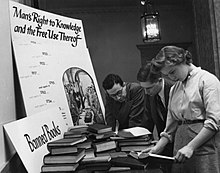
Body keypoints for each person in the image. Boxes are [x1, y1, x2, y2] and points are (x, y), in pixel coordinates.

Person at [147, 45, 220, 173]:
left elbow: (214, 122)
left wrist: (190, 147)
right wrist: (157, 148)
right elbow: (170, 128)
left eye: (172, 72)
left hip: (203, 148)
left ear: (182, 60)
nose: (171, 78)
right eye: (167, 75)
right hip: (180, 149)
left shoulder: (207, 80)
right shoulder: (175, 88)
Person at [137, 62, 174, 173]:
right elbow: (147, 120)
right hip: (163, 147)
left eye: (148, 88)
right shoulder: (150, 94)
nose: (146, 92)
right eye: (143, 88)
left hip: (179, 145)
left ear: (159, 80)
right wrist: (140, 140)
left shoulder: (174, 88)